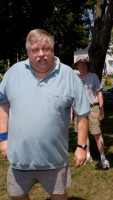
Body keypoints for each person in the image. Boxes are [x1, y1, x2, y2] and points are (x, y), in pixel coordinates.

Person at [0, 29, 90, 200]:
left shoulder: (69, 75)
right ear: (28, 52)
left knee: (59, 197)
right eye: (35, 50)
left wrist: (81, 147)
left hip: (54, 161)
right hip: (19, 159)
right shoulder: (13, 72)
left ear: (53, 50)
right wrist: (3, 137)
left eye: (45, 49)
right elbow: (2, 102)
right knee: (18, 197)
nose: (41, 54)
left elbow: (82, 113)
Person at [73, 56, 110, 169]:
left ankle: (103, 157)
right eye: (80, 64)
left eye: (84, 64)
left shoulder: (93, 77)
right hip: (79, 110)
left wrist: (101, 108)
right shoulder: (75, 79)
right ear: (77, 66)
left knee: (97, 134)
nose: (82, 66)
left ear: (87, 65)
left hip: (93, 108)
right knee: (84, 134)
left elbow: (99, 93)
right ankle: (87, 155)